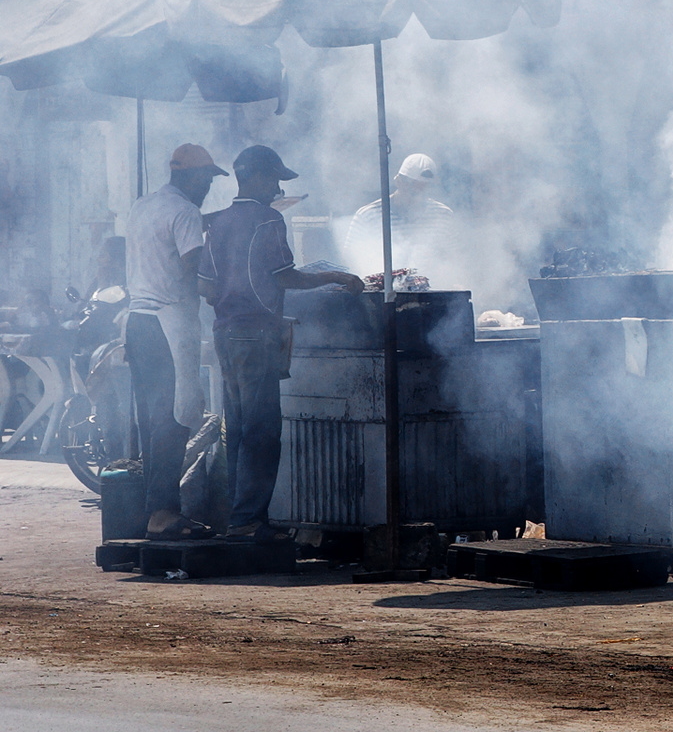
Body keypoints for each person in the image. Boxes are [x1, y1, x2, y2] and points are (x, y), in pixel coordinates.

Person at [200, 146, 363, 540]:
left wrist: (233, 302)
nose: (276, 187)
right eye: (273, 179)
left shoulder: (217, 221)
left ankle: (239, 518)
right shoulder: (268, 219)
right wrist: (338, 278)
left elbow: (205, 286)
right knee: (261, 431)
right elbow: (286, 276)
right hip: (256, 335)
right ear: (255, 178)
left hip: (225, 333)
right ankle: (249, 522)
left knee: (236, 429)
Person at [125, 144, 226, 539]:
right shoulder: (185, 212)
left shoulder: (143, 205)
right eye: (207, 178)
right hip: (167, 324)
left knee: (152, 419)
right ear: (193, 177)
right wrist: (217, 287)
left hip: (137, 322)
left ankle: (154, 510)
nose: (208, 186)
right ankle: (164, 513)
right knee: (176, 416)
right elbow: (192, 270)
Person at [345, 153, 456, 284]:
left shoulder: (443, 215)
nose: (418, 195)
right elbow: (349, 261)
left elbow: (453, 258)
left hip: (433, 292)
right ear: (398, 181)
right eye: (413, 188)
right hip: (380, 295)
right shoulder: (368, 215)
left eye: (424, 189)